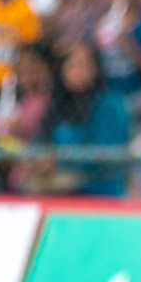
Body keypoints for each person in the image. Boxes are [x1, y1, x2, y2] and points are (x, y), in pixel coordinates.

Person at [44, 40, 129, 197]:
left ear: (96, 69)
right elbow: (42, 140)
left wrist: (60, 163)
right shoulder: (60, 103)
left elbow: (106, 156)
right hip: (59, 187)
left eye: (83, 65)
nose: (77, 71)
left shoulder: (108, 104)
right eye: (71, 65)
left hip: (99, 191)